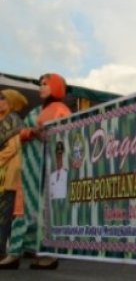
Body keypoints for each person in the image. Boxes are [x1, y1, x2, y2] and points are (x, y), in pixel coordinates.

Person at [0, 73, 71, 270]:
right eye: (40, 84)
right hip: (29, 168)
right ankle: (21, 252)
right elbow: (21, 133)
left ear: (56, 87)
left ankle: (45, 256)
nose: (41, 88)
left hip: (47, 170)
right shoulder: (38, 110)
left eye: (45, 84)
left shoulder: (61, 110)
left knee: (44, 213)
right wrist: (31, 132)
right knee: (25, 211)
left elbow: (66, 138)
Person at [0, 89, 27, 261]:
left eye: (2, 98)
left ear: (11, 102)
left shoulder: (13, 120)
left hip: (8, 174)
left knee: (3, 216)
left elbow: (12, 148)